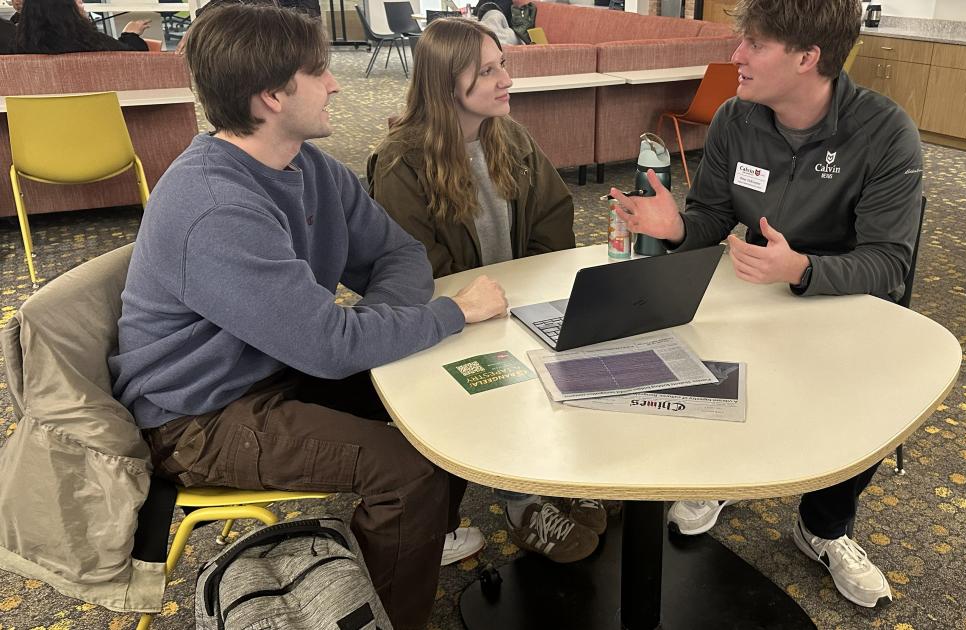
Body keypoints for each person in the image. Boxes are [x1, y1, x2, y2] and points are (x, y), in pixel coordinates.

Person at [108, 5, 508, 629]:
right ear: (271, 96)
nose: (336, 84)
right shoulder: (214, 206)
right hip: (199, 415)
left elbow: (398, 254)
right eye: (319, 71)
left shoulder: (307, 165)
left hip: (277, 367)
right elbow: (327, 347)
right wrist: (448, 313)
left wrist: (370, 332)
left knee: (441, 395)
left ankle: (419, 539)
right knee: (407, 471)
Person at [611, 0, 921, 610]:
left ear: (807, 58)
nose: (736, 56)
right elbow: (713, 215)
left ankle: (824, 527)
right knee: (701, 357)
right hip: (755, 289)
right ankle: (728, 477)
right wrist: (677, 229)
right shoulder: (736, 117)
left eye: (754, 44)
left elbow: (890, 263)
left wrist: (802, 269)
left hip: (845, 303)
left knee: (870, 405)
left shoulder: (884, 132)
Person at [367, 17, 605, 564]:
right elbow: (418, 269)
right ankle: (522, 504)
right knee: (506, 386)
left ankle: (563, 476)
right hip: (453, 318)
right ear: (446, 82)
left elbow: (553, 220)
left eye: (504, 65)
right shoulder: (402, 160)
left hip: (516, 302)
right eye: (488, 71)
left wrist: (531, 292)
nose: (506, 80)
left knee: (587, 348)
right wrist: (488, 308)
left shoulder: (509, 136)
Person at [13, 0, 150, 54]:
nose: (82, 5)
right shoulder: (91, 42)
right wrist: (130, 35)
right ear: (66, 10)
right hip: (99, 108)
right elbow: (138, 61)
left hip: (39, 109)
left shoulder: (19, 48)